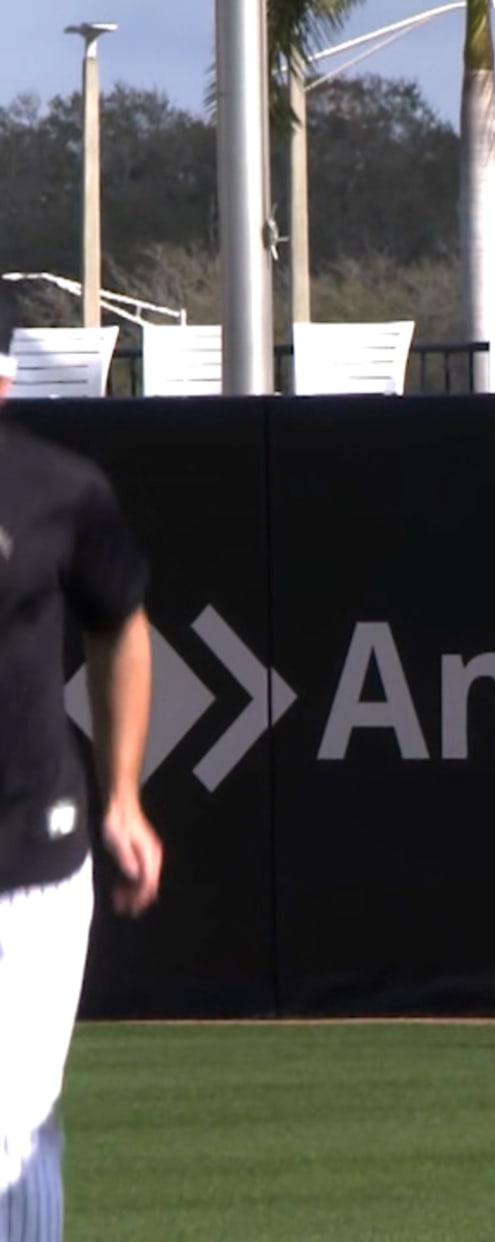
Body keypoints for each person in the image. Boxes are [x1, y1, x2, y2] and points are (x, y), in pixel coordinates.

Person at [0, 285, 166, 1238]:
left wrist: (125, 797)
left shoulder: (58, 490)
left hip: (33, 856)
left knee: (12, 1124)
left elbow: (122, 629)